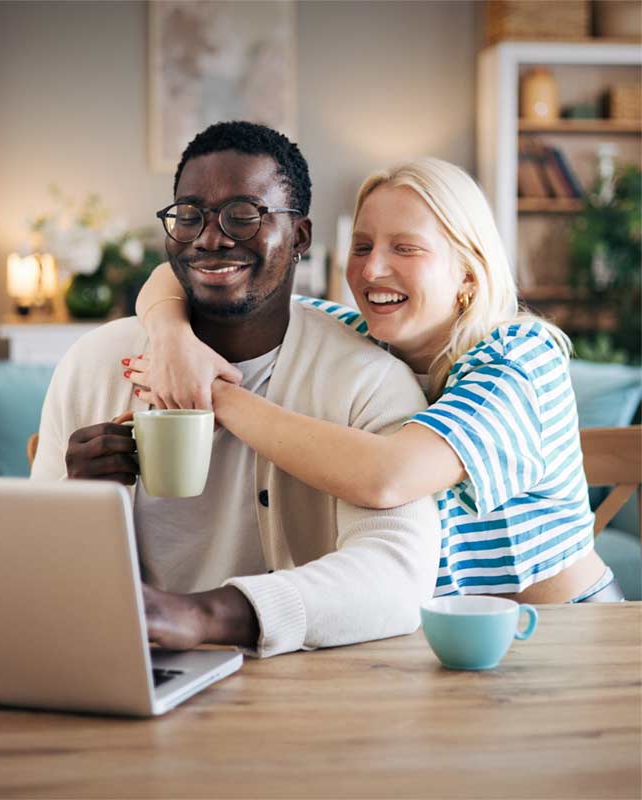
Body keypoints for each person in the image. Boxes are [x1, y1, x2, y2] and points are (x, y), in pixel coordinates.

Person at [31, 121, 442, 658]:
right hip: (126, 666)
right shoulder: (94, 363)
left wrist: (200, 615)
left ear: (300, 236)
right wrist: (77, 502)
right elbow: (36, 572)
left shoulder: (366, 380)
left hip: (302, 686)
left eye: (244, 216)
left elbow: (397, 575)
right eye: (189, 215)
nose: (210, 237)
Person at [129, 156, 622, 604]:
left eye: (405, 248)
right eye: (361, 247)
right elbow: (175, 276)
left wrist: (210, 393)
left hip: (559, 630)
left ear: (469, 273)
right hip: (437, 633)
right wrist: (173, 339)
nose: (372, 269)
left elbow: (389, 478)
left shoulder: (519, 359)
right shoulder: (359, 338)